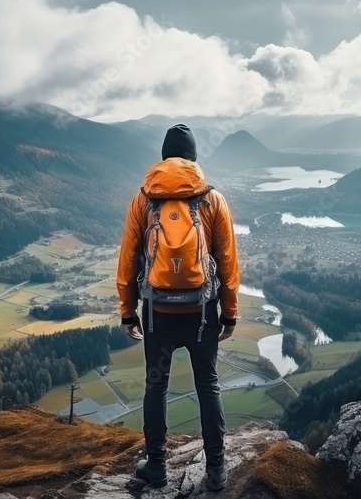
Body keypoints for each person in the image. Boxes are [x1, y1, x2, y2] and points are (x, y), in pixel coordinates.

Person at [117, 124, 240, 491]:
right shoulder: (212, 199)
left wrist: (128, 310)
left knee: (156, 387)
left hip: (157, 315)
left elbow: (128, 259)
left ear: (164, 156)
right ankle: (216, 471)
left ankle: (156, 466)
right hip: (202, 313)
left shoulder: (144, 198)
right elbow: (229, 262)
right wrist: (229, 313)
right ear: (193, 158)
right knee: (209, 385)